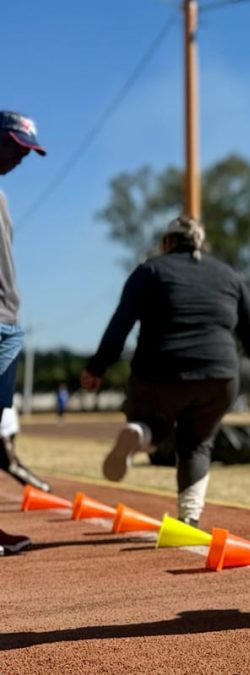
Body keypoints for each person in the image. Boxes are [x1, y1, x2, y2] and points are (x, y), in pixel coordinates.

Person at [80, 216, 250, 526]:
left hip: (160, 371)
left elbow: (121, 324)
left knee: (152, 421)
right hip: (220, 376)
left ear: (168, 242)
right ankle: (189, 518)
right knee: (197, 443)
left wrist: (97, 367)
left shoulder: (150, 270)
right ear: (199, 243)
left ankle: (140, 432)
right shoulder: (231, 276)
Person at [0, 111, 51, 493]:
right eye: (17, 148)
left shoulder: (1, 193)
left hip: (8, 320)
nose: (21, 158)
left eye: (27, 153)